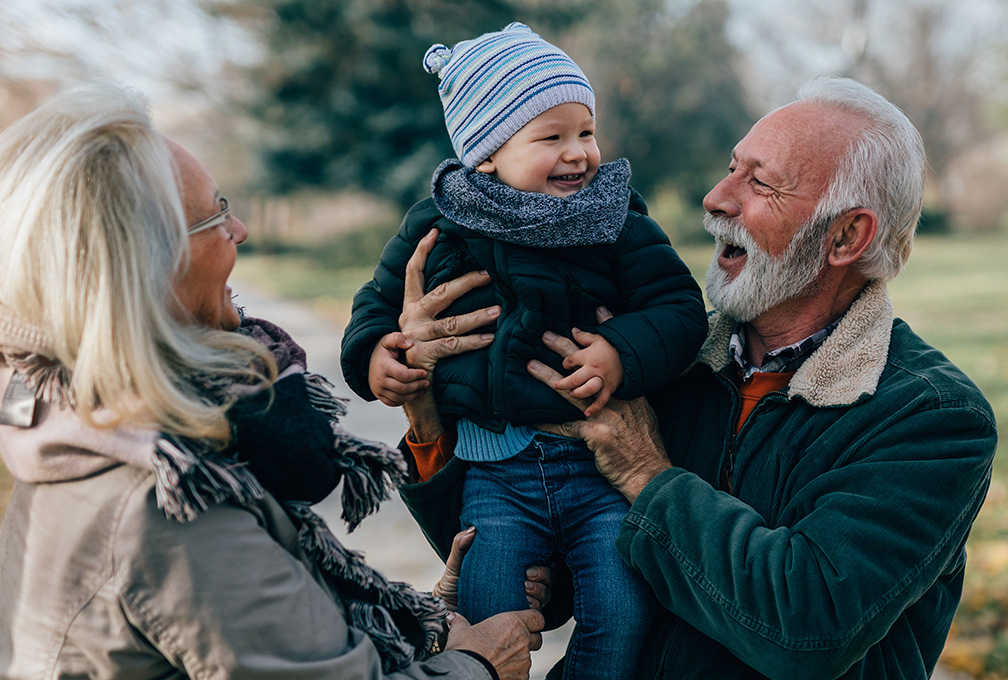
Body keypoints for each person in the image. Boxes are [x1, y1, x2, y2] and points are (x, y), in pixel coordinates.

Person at [389, 76, 999, 678]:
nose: (715, 198)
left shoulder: (933, 417)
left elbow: (806, 626)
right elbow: (524, 553)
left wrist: (645, 474)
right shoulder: (659, 358)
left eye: (759, 183)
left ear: (846, 236)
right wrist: (427, 405)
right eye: (731, 168)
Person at [0, 82, 549, 680]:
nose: (238, 229)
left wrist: (424, 625)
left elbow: (280, 638)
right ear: (142, 272)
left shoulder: (82, 432)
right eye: (213, 216)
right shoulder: (171, 506)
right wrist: (478, 665)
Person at [340, 22, 707, 680]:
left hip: (600, 471)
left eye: (586, 132)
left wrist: (620, 352)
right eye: (551, 137)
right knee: (488, 622)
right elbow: (376, 305)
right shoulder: (439, 223)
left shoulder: (615, 220)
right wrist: (377, 358)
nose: (578, 154)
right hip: (495, 479)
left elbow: (678, 310)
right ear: (487, 153)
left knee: (622, 611)